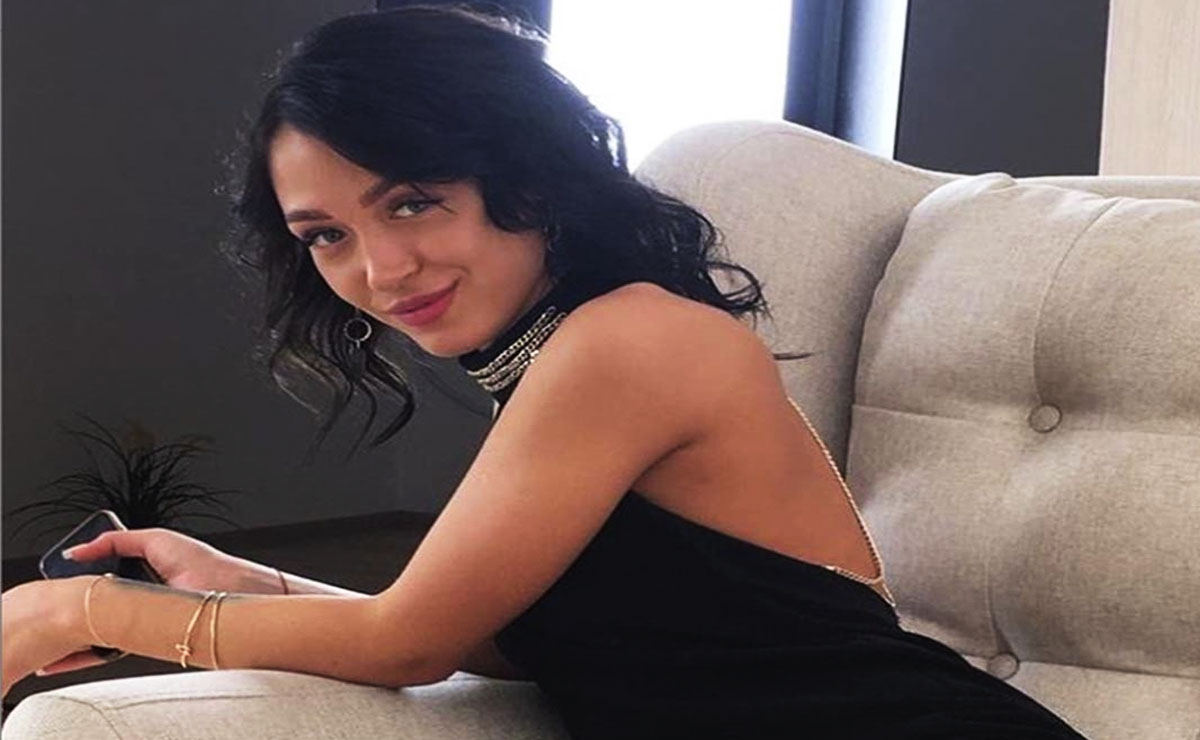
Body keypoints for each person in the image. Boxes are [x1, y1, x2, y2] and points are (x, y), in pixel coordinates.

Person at [2, 5, 1089, 738]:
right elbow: (510, 640)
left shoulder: (631, 341)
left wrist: (79, 610)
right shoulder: (561, 360)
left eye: (411, 201)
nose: (380, 269)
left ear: (526, 173)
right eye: (326, 235)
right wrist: (254, 585)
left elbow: (409, 643)